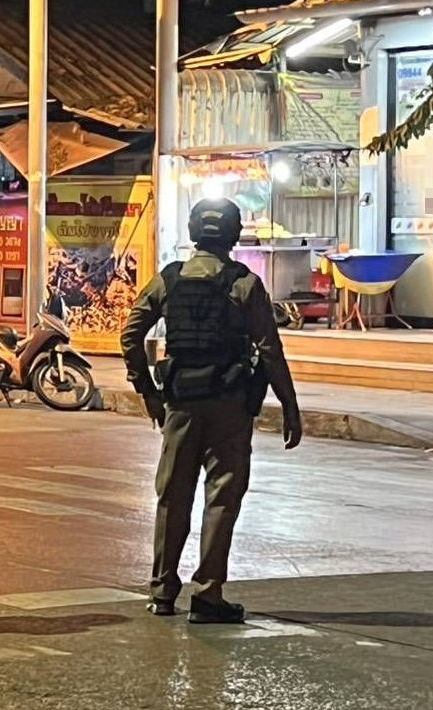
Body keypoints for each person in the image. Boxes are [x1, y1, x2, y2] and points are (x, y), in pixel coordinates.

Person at [120, 197, 304, 624]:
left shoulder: (168, 280)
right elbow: (270, 351)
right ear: (234, 234)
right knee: (222, 497)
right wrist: (290, 406)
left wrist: (147, 390)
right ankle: (207, 594)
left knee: (173, 497)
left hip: (180, 404)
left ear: (193, 232)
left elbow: (130, 335)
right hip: (230, 406)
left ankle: (162, 592)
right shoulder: (245, 284)